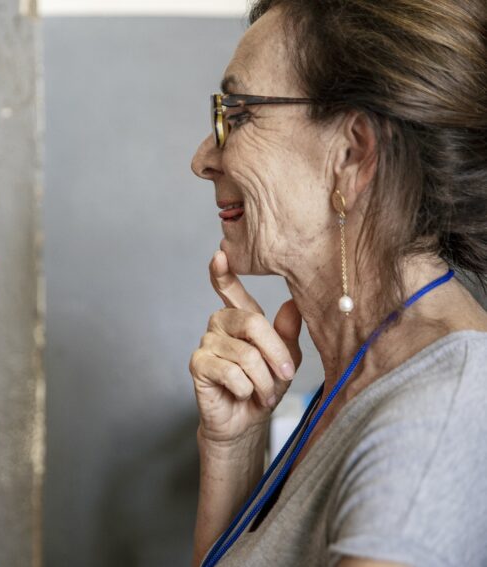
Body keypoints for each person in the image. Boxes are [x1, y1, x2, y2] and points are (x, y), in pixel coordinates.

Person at [187, 1, 487, 566]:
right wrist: (233, 447)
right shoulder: (354, 378)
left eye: (238, 113)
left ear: (352, 153)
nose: (203, 158)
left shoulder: (441, 410)